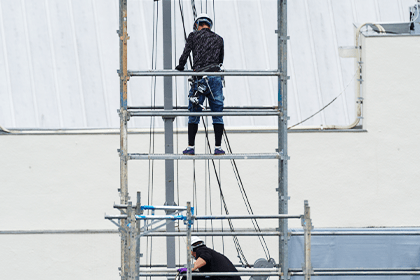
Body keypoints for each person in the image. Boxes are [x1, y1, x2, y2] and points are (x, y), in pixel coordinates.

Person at [175, 13, 225, 155]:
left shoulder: (193, 36)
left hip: (200, 78)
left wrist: (180, 66)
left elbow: (185, 54)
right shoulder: (219, 39)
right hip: (215, 78)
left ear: (197, 24)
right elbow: (221, 60)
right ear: (209, 25)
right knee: (217, 113)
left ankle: (191, 147)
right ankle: (218, 148)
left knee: (194, 113)